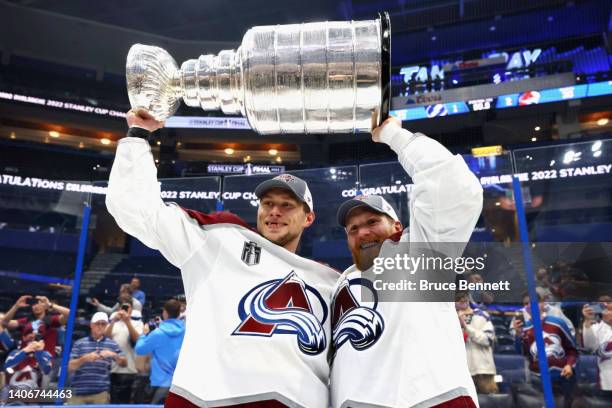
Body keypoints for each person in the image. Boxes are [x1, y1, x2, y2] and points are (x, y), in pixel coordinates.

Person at [105, 109, 338, 407]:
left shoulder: (329, 281)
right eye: (267, 203)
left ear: (309, 218)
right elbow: (137, 210)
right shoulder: (220, 240)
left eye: (287, 205)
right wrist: (138, 136)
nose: (274, 211)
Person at [330, 116, 483, 407]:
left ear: (397, 227)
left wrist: (394, 136)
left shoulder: (422, 250)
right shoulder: (338, 283)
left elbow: (454, 187)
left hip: (430, 399)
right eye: (353, 229)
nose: (362, 231)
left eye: (372, 221)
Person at [512, 294, 577, 407]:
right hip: (538, 378)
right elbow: (522, 353)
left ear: (542, 303)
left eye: (532, 302)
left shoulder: (558, 323)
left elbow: (572, 349)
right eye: (526, 304)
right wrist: (518, 335)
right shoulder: (525, 328)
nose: (529, 306)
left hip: (561, 376)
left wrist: (569, 365)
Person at [68, 312, 127, 405]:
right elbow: (70, 367)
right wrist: (84, 359)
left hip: (101, 393)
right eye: (97, 323)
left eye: (103, 324)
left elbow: (124, 364)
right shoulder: (79, 343)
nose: (100, 326)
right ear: (91, 325)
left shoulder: (112, 344)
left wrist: (113, 354)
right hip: (78, 392)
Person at [135, 299, 185, 404]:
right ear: (179, 313)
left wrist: (144, 334)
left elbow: (140, 349)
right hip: (181, 386)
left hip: (159, 384)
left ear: (165, 313)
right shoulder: (187, 331)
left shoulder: (158, 333)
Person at [456, 292, 498, 394]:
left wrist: (466, 328)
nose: (462, 299)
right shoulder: (448, 319)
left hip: (483, 370)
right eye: (458, 298)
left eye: (464, 296)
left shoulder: (482, 315)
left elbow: (488, 340)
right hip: (461, 373)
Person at [2, 295, 70, 356]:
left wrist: (50, 305)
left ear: (45, 306)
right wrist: (16, 306)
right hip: (24, 361)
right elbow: (4, 323)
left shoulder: (53, 320)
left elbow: (70, 314)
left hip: (42, 362)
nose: (36, 306)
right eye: (34, 304)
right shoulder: (26, 321)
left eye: (39, 304)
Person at [105, 295, 143, 404]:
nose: (125, 309)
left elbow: (136, 339)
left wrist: (127, 321)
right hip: (111, 370)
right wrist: (113, 321)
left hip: (129, 371)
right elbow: (106, 338)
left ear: (132, 309)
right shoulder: (113, 323)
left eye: (127, 307)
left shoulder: (137, 324)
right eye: (123, 307)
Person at [581, 299, 612, 397]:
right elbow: (589, 346)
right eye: (605, 310)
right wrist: (587, 320)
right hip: (607, 382)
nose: (607, 312)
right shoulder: (596, 328)